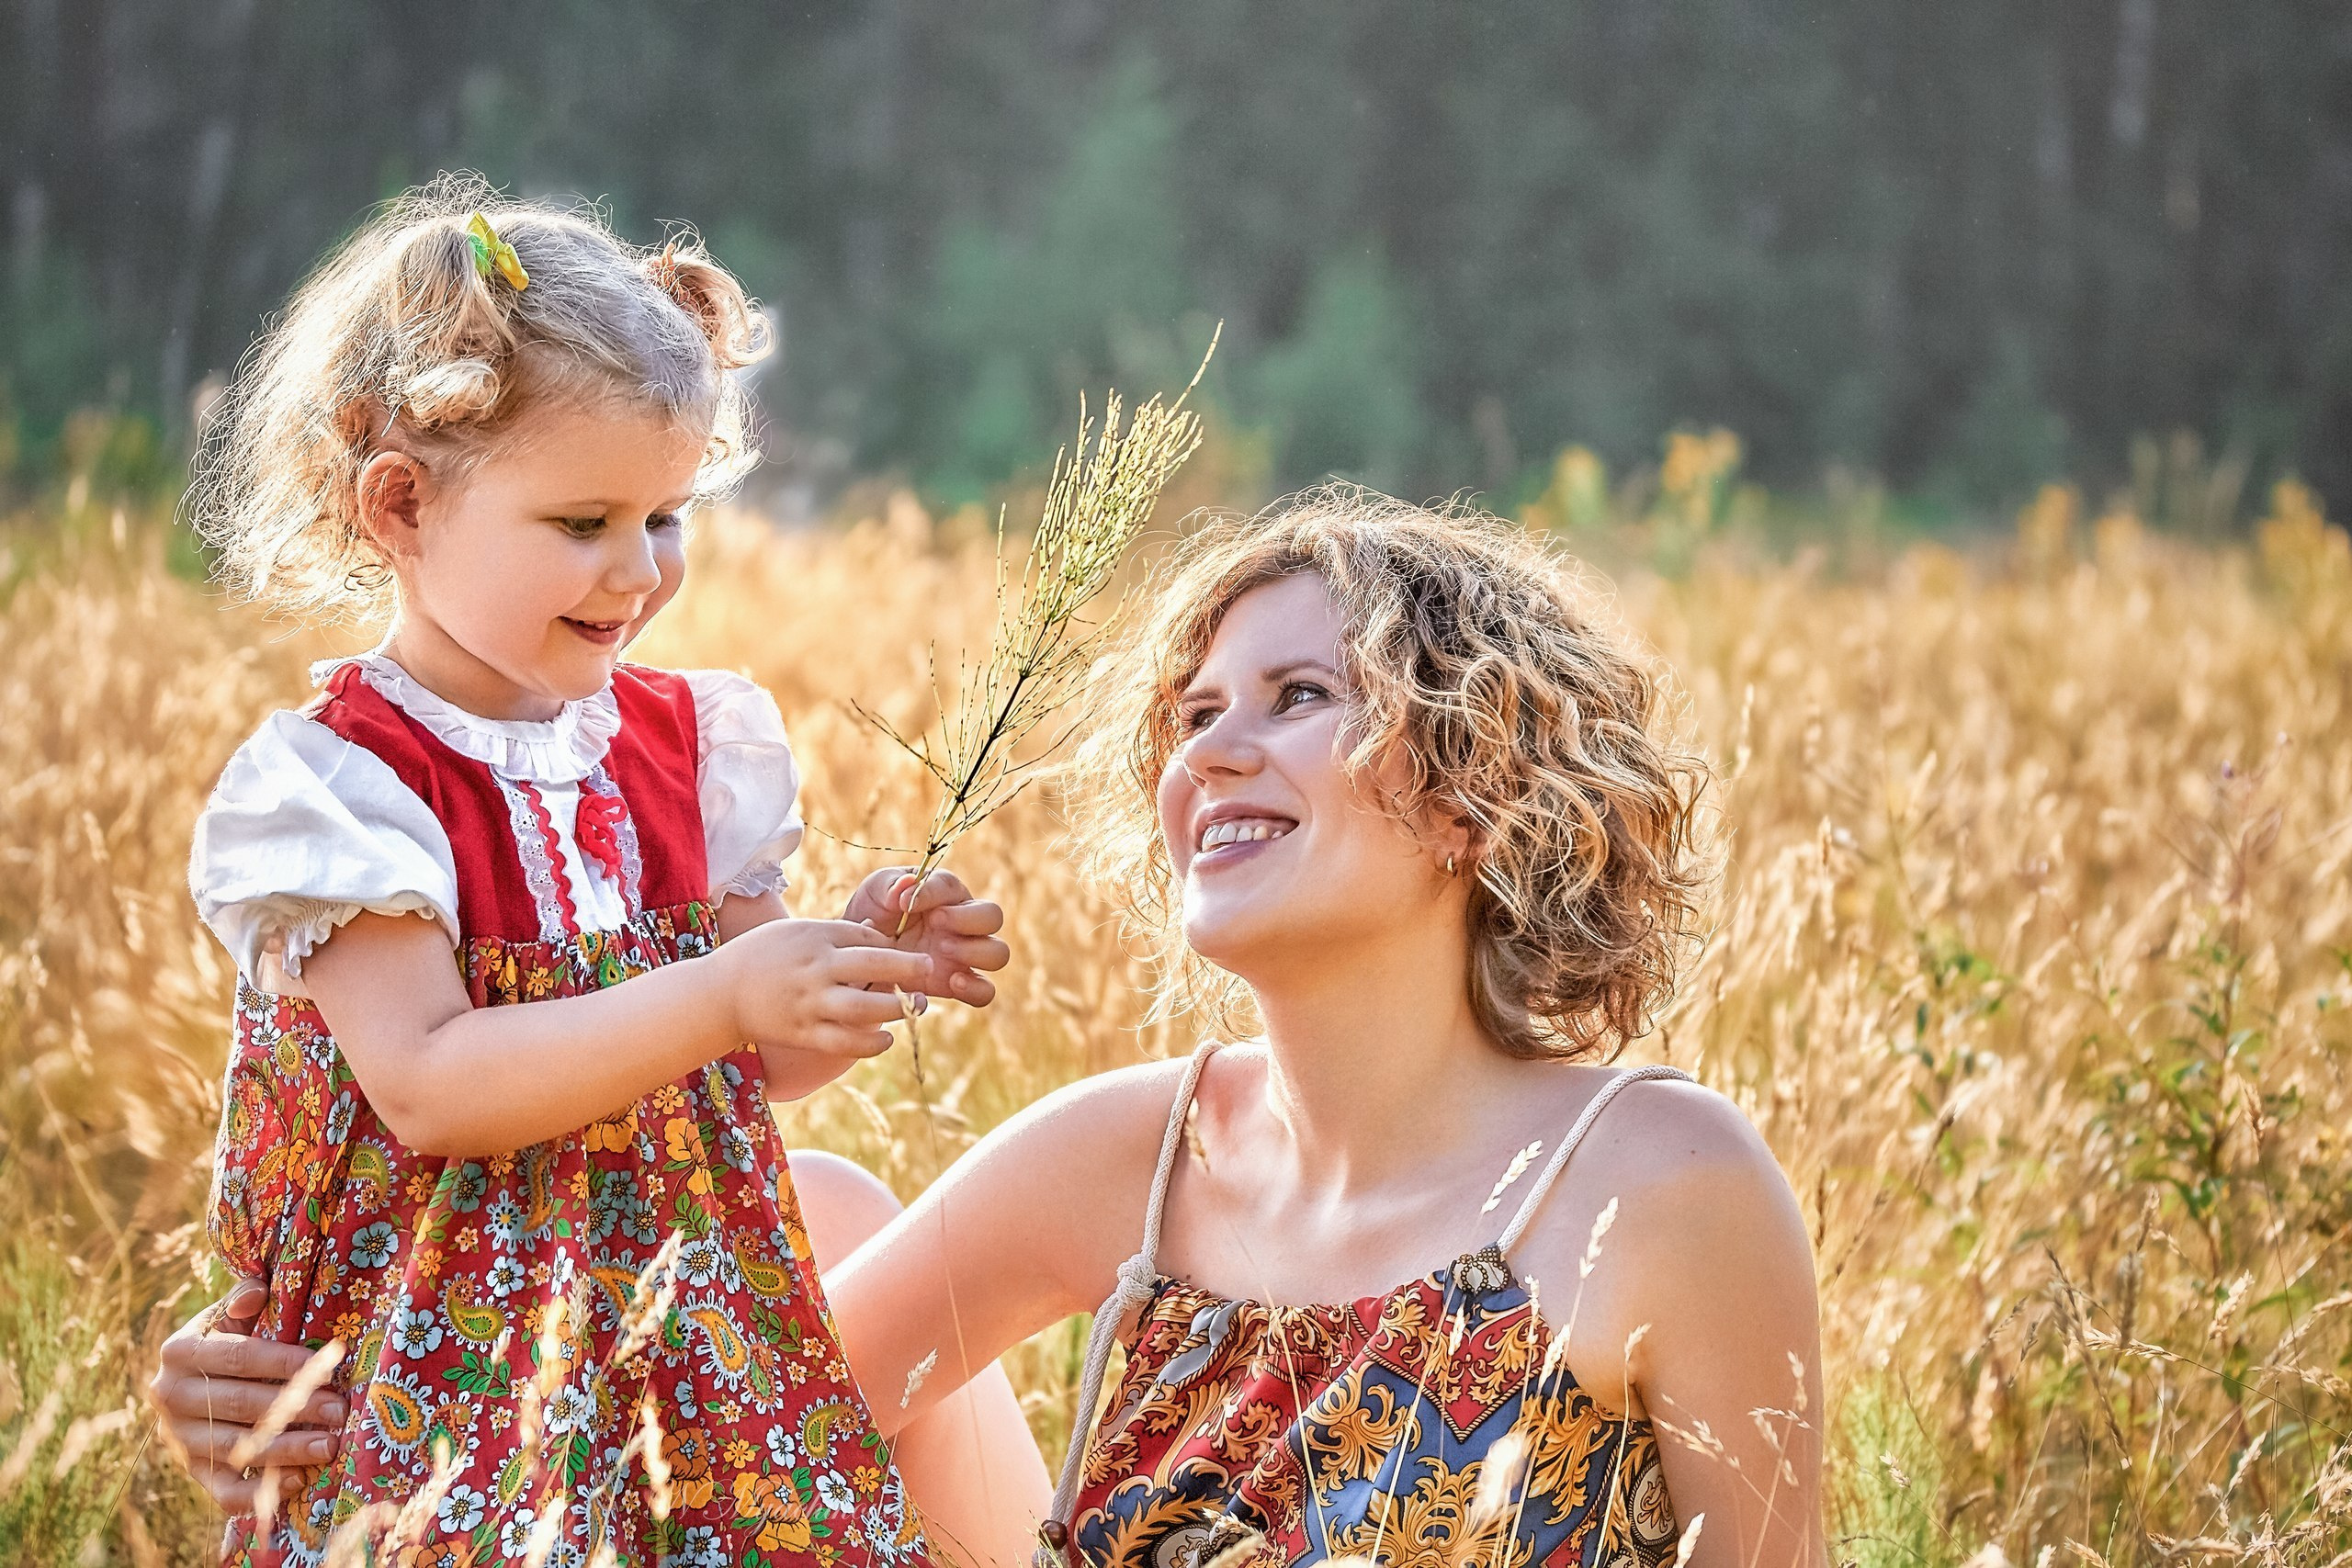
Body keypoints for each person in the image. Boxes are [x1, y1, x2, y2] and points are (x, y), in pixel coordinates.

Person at [163, 489, 1828, 1567]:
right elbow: (683, 1440)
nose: (1211, 755)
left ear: (1477, 792)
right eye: (1193, 716)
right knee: (810, 1216)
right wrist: (311, 1377)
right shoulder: (1130, 1155)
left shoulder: (1656, 1184)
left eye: (1299, 698)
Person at [167, 175, 1029, 1567]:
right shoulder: (349, 789)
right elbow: (432, 1085)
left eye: (668, 517)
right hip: (451, 1402)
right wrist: (727, 996)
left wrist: (843, 968)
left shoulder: (693, 747)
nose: (639, 570)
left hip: (695, 1366)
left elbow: (738, 1082)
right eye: (583, 524)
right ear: (398, 506)